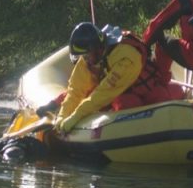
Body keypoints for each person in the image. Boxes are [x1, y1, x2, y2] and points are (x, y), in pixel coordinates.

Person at [51, 22, 182, 134]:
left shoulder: (126, 55)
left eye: (86, 55)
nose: (85, 60)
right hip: (126, 97)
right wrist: (62, 116)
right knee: (127, 103)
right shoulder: (88, 62)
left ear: (97, 49)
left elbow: (104, 93)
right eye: (83, 56)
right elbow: (75, 91)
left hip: (147, 89)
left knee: (163, 96)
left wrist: (76, 116)